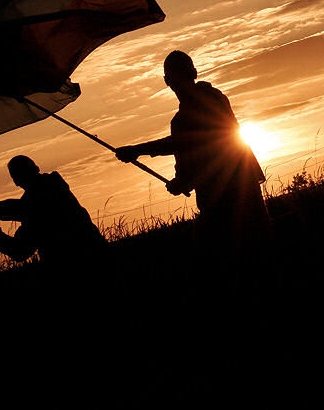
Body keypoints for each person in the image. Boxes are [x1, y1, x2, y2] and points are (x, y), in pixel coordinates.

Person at [115, 51, 272, 283]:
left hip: (223, 198)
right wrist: (181, 181)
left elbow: (187, 143)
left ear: (167, 81)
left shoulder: (190, 113)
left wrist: (137, 150)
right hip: (241, 186)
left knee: (226, 263)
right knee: (257, 256)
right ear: (194, 72)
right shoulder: (215, 98)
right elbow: (191, 154)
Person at [0, 155, 108, 269]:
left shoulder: (42, 199)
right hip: (98, 254)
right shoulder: (55, 190)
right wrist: (1, 237)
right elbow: (21, 250)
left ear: (16, 181)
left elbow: (20, 249)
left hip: (71, 264)